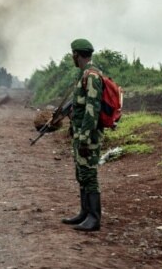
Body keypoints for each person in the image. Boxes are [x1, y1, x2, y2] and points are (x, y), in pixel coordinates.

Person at [61, 38, 104, 232]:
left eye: (73, 54)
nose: (72, 57)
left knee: (89, 174)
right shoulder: (84, 74)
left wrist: (85, 138)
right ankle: (84, 213)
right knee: (81, 173)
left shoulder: (92, 75)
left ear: (77, 54)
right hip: (80, 133)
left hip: (88, 136)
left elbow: (91, 110)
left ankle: (94, 218)